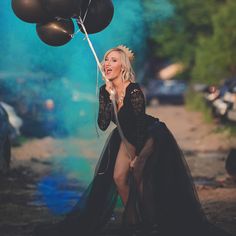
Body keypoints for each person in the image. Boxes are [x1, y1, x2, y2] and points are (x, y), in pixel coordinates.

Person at [34, 46, 232, 236]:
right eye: (106, 60)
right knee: (119, 177)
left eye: (114, 60)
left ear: (124, 67)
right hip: (124, 137)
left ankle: (153, 223)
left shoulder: (134, 90)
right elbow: (103, 124)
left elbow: (138, 125)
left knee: (140, 175)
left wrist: (138, 156)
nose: (107, 63)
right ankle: (137, 220)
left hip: (148, 136)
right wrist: (109, 99)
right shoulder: (105, 91)